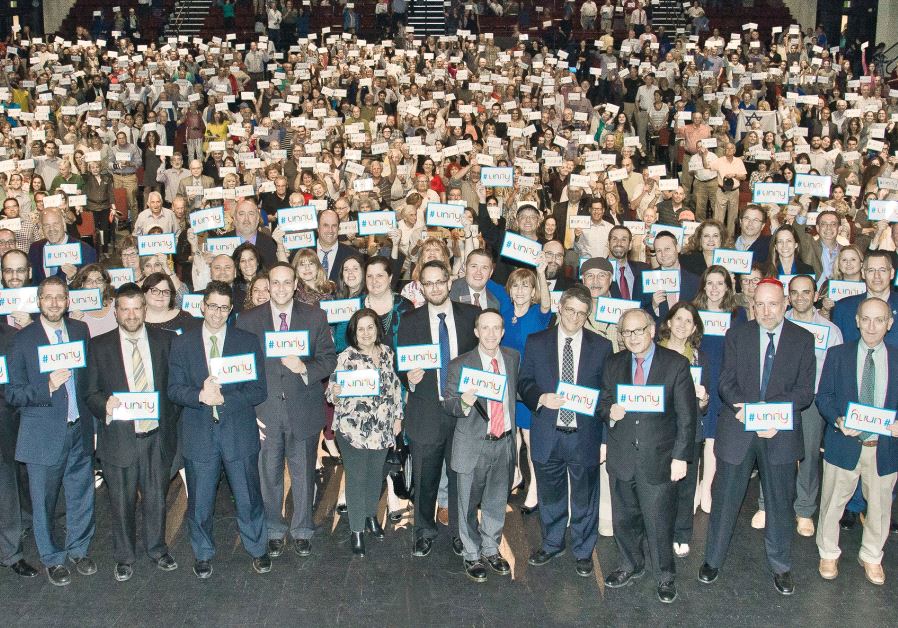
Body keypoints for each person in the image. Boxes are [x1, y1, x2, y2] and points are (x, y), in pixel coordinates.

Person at [699, 278, 816, 595]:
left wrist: (772, 416)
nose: (766, 311)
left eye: (773, 304)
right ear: (753, 305)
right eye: (760, 304)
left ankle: (781, 566)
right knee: (725, 499)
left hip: (779, 432)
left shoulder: (803, 339)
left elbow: (805, 391)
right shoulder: (737, 335)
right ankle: (712, 559)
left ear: (785, 304)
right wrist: (751, 411)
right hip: (739, 427)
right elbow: (726, 382)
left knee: (779, 503)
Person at [167, 281, 271, 579]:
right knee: (200, 500)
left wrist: (224, 398)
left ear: (231, 310)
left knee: (248, 496)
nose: (217, 313)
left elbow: (258, 390)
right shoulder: (182, 343)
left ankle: (257, 548)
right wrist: (200, 395)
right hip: (199, 432)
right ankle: (202, 553)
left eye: (224, 308)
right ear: (202, 306)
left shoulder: (246, 341)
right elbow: (173, 389)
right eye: (212, 306)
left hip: (238, 431)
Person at [236, 263, 337, 559]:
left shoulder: (315, 316)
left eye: (286, 282)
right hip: (264, 410)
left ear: (295, 285)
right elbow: (241, 368)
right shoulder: (248, 320)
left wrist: (304, 368)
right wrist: (248, 411)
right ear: (268, 285)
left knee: (304, 474)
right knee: (268, 474)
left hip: (303, 408)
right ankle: (274, 529)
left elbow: (329, 360)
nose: (280, 288)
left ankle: (303, 529)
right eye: (275, 283)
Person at [600, 308, 697, 603]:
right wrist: (610, 412)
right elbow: (603, 402)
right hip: (622, 456)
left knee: (658, 522)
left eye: (639, 330)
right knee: (624, 518)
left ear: (652, 330)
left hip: (659, 458)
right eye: (627, 332)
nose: (633, 337)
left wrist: (680, 457)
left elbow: (687, 417)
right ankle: (630, 564)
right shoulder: (613, 363)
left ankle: (665, 575)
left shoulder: (676, 364)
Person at [84, 283, 179, 581]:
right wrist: (105, 405)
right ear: (115, 312)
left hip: (156, 436)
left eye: (137, 308)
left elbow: (175, 387)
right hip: (119, 438)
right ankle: (124, 557)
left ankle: (157, 549)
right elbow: (90, 393)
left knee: (156, 498)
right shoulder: (99, 346)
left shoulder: (166, 341)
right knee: (121, 502)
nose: (131, 314)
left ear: (145, 309)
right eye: (125, 309)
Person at [7, 276, 96, 586]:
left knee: (81, 493)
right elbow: (13, 393)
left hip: (79, 428)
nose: (55, 303)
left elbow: (89, 381)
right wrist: (47, 386)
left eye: (60, 297)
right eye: (48, 297)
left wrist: (94, 424)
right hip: (42, 434)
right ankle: (53, 558)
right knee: (44, 502)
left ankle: (79, 550)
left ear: (68, 301)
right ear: (38, 302)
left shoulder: (80, 331)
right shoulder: (22, 340)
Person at [518, 285, 612, 577]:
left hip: (585, 435)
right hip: (548, 431)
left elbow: (606, 395)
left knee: (585, 498)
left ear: (588, 315)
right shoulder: (537, 342)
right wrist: (540, 398)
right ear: (560, 308)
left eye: (581, 313)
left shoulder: (602, 346)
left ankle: (583, 551)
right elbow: (524, 381)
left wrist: (605, 440)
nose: (574, 317)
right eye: (570, 310)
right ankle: (552, 543)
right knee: (550, 494)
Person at [397, 260, 479, 558]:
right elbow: (400, 363)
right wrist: (408, 378)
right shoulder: (410, 320)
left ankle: (459, 532)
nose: (434, 288)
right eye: (428, 283)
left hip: (463, 411)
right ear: (421, 287)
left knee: (461, 478)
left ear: (449, 282)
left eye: (439, 282)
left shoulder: (471, 315)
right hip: (426, 411)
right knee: (425, 478)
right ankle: (424, 531)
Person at [815, 297, 898, 586]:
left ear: (889, 323)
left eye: (879, 320)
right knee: (831, 503)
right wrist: (838, 420)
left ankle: (872, 555)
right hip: (844, 443)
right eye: (866, 319)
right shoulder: (838, 355)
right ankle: (828, 551)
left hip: (883, 448)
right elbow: (824, 396)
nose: (872, 326)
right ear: (857, 321)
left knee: (880, 508)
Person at [751, 275, 843, 533]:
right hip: (777, 397)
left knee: (809, 455)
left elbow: (836, 371)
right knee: (770, 451)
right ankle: (765, 504)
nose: (801, 297)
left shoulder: (831, 331)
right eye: (795, 292)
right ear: (788, 298)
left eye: (806, 292)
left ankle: (804, 509)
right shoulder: (776, 321)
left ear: (816, 295)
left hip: (811, 400)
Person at [443, 308, 520, 582]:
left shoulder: (512, 358)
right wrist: (463, 401)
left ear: (503, 331)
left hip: (504, 441)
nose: (490, 333)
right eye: (484, 328)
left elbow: (517, 393)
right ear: (476, 332)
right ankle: (471, 553)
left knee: (496, 501)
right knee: (466, 503)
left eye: (496, 328)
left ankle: (490, 548)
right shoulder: (459, 364)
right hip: (473, 444)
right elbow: (449, 405)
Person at [325, 308, 403, 557]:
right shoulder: (346, 357)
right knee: (357, 479)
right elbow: (330, 392)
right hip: (352, 430)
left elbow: (395, 388)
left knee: (375, 476)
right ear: (354, 332)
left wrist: (398, 417)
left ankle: (371, 517)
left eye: (370, 327)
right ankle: (357, 529)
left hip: (382, 428)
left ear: (378, 329)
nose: (366, 333)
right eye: (361, 329)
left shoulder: (388, 353)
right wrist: (335, 392)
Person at [657, 303, 710, 557]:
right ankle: (658, 530)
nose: (682, 325)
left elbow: (703, 405)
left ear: (694, 328)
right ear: (669, 322)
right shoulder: (653, 352)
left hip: (690, 430)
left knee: (686, 485)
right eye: (678, 319)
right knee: (658, 483)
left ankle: (681, 533)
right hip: (658, 430)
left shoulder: (700, 358)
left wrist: (703, 399)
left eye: (689, 321)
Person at [0, 319, 38, 578]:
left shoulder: (12, 336)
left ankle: (10, 553)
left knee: (6, 491)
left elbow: (20, 382)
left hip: (4, 422)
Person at [831, 251, 898, 345]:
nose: (877, 276)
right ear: (863, 273)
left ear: (892, 273)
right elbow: (836, 349)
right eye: (871, 270)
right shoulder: (843, 308)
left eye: (882, 270)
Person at [28, 209, 98, 284]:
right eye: (46, 225)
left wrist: (73, 279)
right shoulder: (34, 249)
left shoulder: (85, 251)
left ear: (63, 224)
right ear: (41, 228)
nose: (51, 229)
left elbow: (91, 286)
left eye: (56, 224)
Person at [644, 231, 700, 321]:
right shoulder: (646, 280)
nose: (663, 254)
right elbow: (638, 315)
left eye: (667, 249)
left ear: (678, 248)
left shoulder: (695, 281)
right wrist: (653, 306)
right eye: (659, 250)